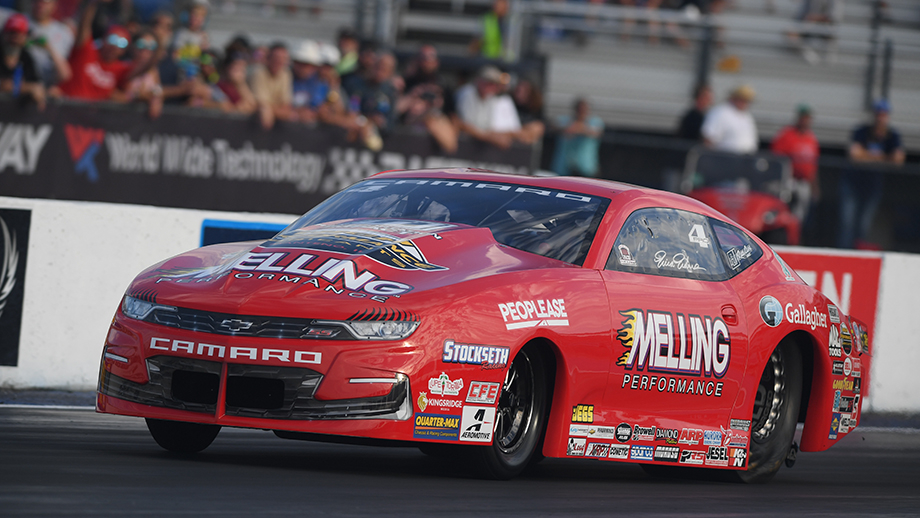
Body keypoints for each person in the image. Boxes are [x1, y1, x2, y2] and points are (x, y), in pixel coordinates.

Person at [837, 100, 905, 249]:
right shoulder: (862, 131)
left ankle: (858, 253)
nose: (880, 118)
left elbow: (898, 159)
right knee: (847, 222)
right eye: (878, 114)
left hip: (872, 186)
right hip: (852, 184)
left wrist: (868, 156)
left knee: (864, 224)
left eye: (883, 115)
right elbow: (855, 155)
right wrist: (882, 157)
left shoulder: (891, 135)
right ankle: (844, 251)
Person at [59, 0, 136, 101]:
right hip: (65, 109)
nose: (114, 46)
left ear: (124, 50)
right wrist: (93, 3)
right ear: (103, 39)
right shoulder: (86, 51)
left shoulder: (120, 70)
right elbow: (84, 26)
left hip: (91, 115)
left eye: (122, 43)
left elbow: (145, 66)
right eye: (112, 39)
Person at [397, 44, 457, 153]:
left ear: (436, 61)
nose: (426, 61)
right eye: (422, 57)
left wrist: (433, 105)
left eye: (430, 57)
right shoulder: (406, 82)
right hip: (405, 135)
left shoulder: (443, 86)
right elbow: (396, 111)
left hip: (433, 138)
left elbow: (452, 116)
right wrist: (413, 96)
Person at [454, 66, 526, 149]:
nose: (491, 86)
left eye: (494, 84)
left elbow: (487, 127)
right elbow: (464, 126)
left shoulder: (490, 99)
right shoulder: (467, 93)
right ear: (479, 80)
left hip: (476, 146)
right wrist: (490, 138)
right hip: (462, 145)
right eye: (488, 82)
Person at [771, 104, 820, 223]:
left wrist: (815, 186)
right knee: (783, 207)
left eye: (807, 118)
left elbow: (813, 165)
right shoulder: (787, 134)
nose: (805, 121)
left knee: (801, 212)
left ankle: (795, 233)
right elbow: (776, 158)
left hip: (804, 182)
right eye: (803, 117)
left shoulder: (811, 138)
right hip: (788, 180)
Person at [111, 30, 165, 118]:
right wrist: (138, 96)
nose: (145, 50)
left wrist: (156, 98)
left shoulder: (153, 71)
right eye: (141, 44)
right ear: (133, 47)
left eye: (151, 46)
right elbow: (112, 93)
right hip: (120, 117)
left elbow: (158, 90)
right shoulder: (123, 67)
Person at [0, 14, 46, 110]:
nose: (14, 38)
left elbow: (36, 85)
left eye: (19, 33)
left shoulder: (26, 57)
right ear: (4, 33)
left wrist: (47, 92)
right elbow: (3, 85)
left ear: (25, 37)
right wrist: (28, 88)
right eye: (11, 32)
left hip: (15, 120)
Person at [27, 0, 73, 93]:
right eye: (37, 1)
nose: (40, 5)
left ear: (54, 5)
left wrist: (48, 47)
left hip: (47, 91)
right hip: (19, 87)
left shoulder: (64, 32)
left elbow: (65, 75)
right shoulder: (19, 21)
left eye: (46, 2)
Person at [551, 97, 604, 177]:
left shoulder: (595, 122)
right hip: (563, 168)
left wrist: (579, 129)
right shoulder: (564, 121)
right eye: (579, 109)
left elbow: (596, 132)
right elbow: (553, 126)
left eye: (584, 109)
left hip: (586, 168)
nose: (581, 112)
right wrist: (566, 129)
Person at [701, 85, 758, 154]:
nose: (745, 103)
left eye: (747, 101)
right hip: (724, 158)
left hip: (744, 159)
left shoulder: (747, 116)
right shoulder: (720, 112)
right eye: (743, 99)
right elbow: (709, 138)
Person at [250, 42, 294, 129]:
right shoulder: (258, 73)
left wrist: (270, 110)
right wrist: (271, 109)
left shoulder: (286, 75)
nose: (279, 61)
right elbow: (260, 105)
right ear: (268, 58)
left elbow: (286, 108)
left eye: (283, 59)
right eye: (276, 58)